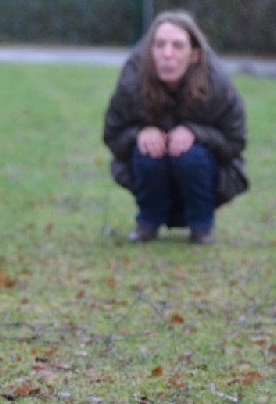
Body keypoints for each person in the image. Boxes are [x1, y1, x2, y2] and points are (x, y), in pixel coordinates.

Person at [103, 10, 248, 244]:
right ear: (149, 51)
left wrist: (196, 134)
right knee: (148, 151)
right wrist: (139, 134)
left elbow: (235, 141)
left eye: (178, 46)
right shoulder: (132, 81)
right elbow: (112, 134)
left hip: (204, 168)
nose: (167, 54)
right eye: (159, 45)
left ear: (194, 55)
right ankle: (147, 222)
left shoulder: (217, 84)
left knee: (190, 155)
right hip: (149, 167)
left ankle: (202, 226)